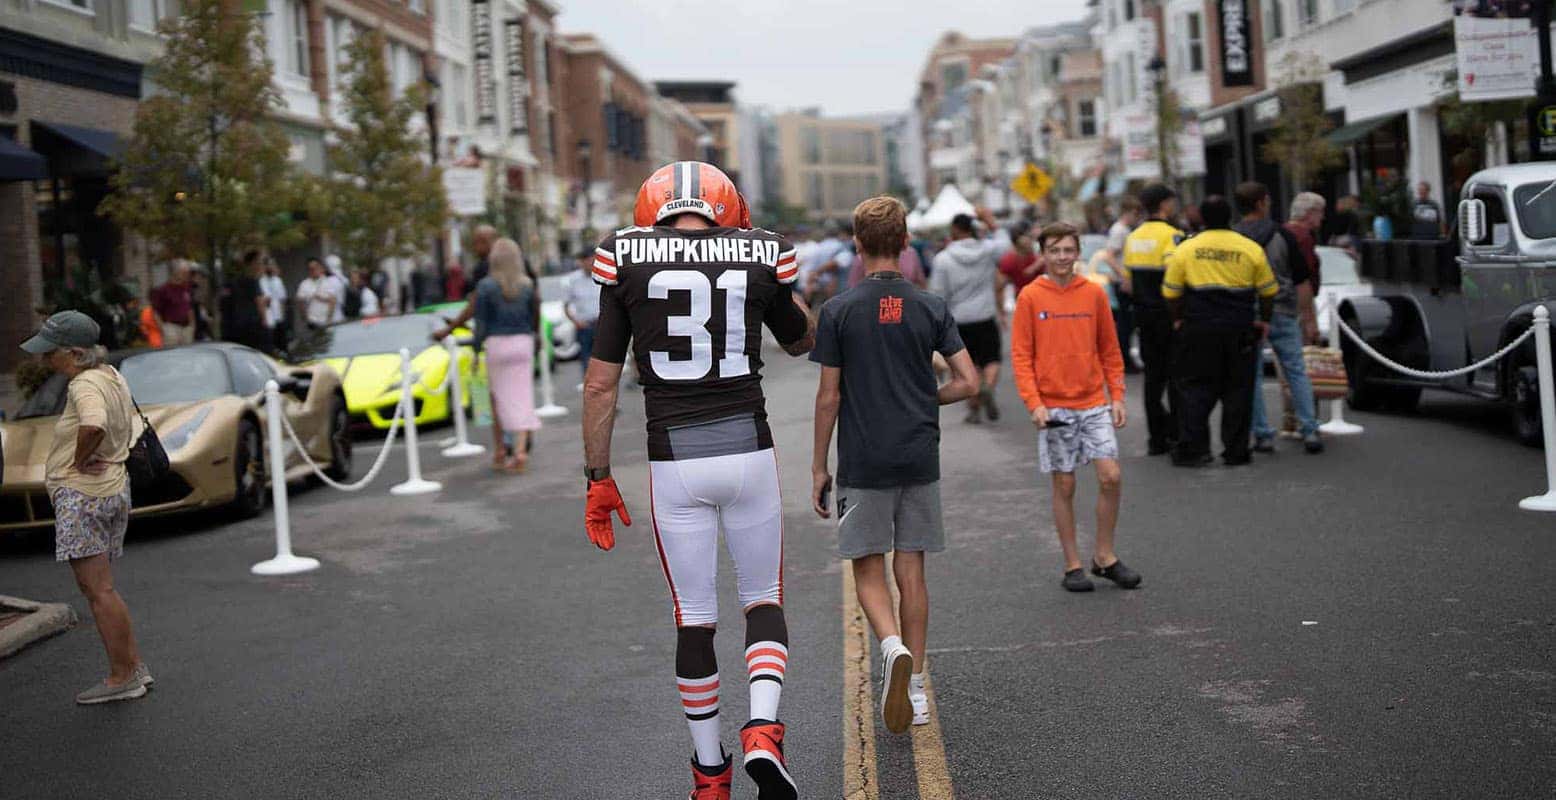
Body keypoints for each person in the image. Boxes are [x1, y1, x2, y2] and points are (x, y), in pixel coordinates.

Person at [580, 161, 814, 800]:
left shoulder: (624, 258)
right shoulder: (760, 252)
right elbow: (801, 342)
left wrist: (598, 475)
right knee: (762, 597)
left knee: (695, 618)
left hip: (674, 459)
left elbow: (601, 384)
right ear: (727, 208)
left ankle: (709, 774)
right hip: (748, 449)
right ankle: (762, 729)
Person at [809, 196, 980, 733]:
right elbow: (969, 382)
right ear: (906, 243)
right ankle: (919, 685)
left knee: (867, 564)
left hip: (864, 457)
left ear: (857, 245)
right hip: (918, 452)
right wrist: (923, 400)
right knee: (913, 571)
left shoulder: (838, 310)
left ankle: (889, 646)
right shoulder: (930, 307)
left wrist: (819, 466)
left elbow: (829, 398)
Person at [20, 311, 152, 704]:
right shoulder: (112, 375)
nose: (45, 360)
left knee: (99, 591)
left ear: (76, 354)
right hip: (108, 488)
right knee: (103, 588)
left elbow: (93, 425)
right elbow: (124, 426)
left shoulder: (84, 386)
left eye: (52, 353)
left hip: (83, 496)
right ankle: (133, 666)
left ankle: (122, 676)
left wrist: (79, 458)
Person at [1011, 222, 1139, 592]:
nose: (1062, 257)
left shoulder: (1094, 294)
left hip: (1093, 402)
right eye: (1055, 250)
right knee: (1064, 484)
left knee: (1111, 476)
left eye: (1068, 250)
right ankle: (1073, 565)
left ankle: (1105, 556)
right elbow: (1021, 356)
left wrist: (1117, 396)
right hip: (1054, 407)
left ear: (1077, 252)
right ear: (1044, 254)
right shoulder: (1031, 296)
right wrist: (1034, 404)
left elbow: (1110, 350)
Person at [1162, 195, 1278, 467]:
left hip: (1198, 330)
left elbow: (1171, 292)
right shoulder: (1250, 248)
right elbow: (1269, 291)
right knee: (1238, 392)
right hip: (1239, 329)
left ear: (1202, 218)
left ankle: (1194, 450)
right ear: (1230, 217)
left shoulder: (1187, 249)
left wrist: (1178, 319)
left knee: (1194, 391)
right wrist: (1264, 320)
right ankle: (1236, 451)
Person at [434, 239, 540, 472]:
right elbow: (534, 317)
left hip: (497, 344)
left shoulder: (486, 286)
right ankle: (521, 451)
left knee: (497, 399)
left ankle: (501, 450)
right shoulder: (527, 285)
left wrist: (475, 349)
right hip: (522, 342)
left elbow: (480, 324)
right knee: (522, 396)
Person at [1234, 184, 1324, 454]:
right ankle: (1309, 428)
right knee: (1296, 369)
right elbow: (1301, 280)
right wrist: (1308, 318)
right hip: (1283, 310)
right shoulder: (1282, 235)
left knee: (1253, 375)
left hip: (1248, 313)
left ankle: (1262, 434)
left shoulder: (1234, 237)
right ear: (1262, 203)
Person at [930, 208, 1010, 424]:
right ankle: (988, 388)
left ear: (954, 231)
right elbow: (1006, 245)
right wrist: (990, 221)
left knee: (968, 367)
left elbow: (938, 293)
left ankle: (974, 409)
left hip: (958, 321)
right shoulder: (987, 249)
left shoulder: (943, 259)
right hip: (985, 315)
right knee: (992, 360)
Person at [1122, 184, 1184, 454]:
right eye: (1172, 201)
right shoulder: (1172, 236)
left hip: (1143, 316)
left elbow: (1127, 283)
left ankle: (1156, 439)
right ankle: (1177, 434)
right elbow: (1174, 278)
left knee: (1152, 379)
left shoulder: (1133, 237)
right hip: (1168, 315)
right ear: (1164, 204)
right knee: (1175, 378)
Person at [1102, 196, 1143, 373]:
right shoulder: (1120, 230)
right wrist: (1124, 276)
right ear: (1128, 212)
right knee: (1125, 324)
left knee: (1128, 324)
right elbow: (1109, 256)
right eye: (1135, 213)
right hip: (1122, 284)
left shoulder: (1125, 230)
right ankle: (1125, 361)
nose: (1137, 217)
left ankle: (1126, 359)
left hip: (1124, 282)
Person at [564, 247, 602, 390]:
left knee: (604, 359)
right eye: (585, 260)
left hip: (601, 323)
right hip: (584, 325)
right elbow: (566, 305)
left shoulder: (602, 276)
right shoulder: (573, 280)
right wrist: (576, 322)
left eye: (591, 259)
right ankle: (590, 388)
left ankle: (602, 388)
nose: (588, 262)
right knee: (586, 358)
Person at [223, 250, 271, 352]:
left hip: (234, 325)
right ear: (253, 264)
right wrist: (265, 321)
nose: (261, 266)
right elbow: (259, 302)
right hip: (253, 325)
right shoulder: (252, 281)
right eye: (260, 263)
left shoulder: (230, 283)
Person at [997, 221, 1045, 310]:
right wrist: (1001, 313)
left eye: (1031, 237)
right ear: (1017, 239)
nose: (1031, 240)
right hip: (1022, 304)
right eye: (1027, 236)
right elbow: (999, 288)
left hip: (1043, 303)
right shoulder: (1008, 260)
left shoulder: (1038, 256)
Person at [150, 261, 195, 346]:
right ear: (176, 273)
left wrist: (192, 326)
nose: (187, 276)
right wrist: (163, 328)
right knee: (173, 354)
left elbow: (189, 307)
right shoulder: (163, 290)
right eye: (184, 273)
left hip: (186, 328)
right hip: (171, 327)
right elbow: (156, 311)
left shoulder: (186, 288)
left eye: (187, 273)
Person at [296, 257, 345, 331]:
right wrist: (306, 320)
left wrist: (329, 320)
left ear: (321, 268)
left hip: (327, 322)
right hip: (313, 323)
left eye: (315, 267)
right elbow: (300, 302)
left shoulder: (329, 281)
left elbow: (333, 301)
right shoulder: (304, 284)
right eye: (310, 268)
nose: (313, 270)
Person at [260, 257, 289, 354]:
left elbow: (282, 299)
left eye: (272, 265)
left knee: (282, 346)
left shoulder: (278, 281)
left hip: (278, 317)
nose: (270, 267)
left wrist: (283, 317)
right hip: (268, 319)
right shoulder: (260, 281)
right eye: (268, 265)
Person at [467, 224, 498, 295]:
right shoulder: (518, 261)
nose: (475, 247)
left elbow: (476, 296)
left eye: (476, 242)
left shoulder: (481, 268)